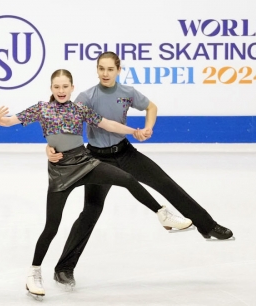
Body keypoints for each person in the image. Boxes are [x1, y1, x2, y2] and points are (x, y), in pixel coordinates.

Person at [0, 69, 193, 299]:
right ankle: (34, 272)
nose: (61, 91)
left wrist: (134, 131)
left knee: (126, 178)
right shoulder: (41, 108)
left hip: (84, 161)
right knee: (52, 227)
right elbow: (9, 121)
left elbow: (108, 125)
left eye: (65, 86)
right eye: (57, 87)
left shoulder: (79, 109)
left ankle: (162, 214)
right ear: (51, 89)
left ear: (72, 88)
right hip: (60, 171)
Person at [43, 52, 235, 289]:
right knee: (91, 211)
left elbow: (151, 107)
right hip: (96, 158)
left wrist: (148, 127)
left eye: (110, 69)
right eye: (101, 69)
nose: (105, 73)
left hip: (125, 152)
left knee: (165, 183)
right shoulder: (87, 96)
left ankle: (207, 226)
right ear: (97, 70)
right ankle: (63, 269)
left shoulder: (127, 93)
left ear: (118, 69)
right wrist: (50, 147)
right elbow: (62, 122)